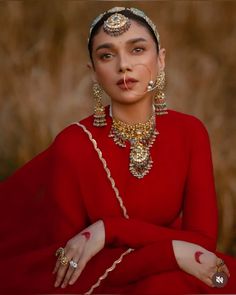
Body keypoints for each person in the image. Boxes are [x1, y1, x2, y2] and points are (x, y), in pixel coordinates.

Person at [0, 6, 235, 294]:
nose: (123, 65)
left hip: (176, 272)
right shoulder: (74, 145)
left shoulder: (190, 133)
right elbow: (70, 264)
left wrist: (109, 229)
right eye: (107, 55)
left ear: (161, 60)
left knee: (217, 278)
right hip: (108, 283)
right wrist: (172, 252)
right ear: (94, 72)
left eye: (137, 50)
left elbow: (202, 245)